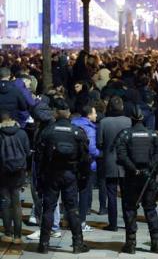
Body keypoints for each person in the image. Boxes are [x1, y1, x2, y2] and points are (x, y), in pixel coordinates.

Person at [36, 98, 90, 254]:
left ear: (56, 112)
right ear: (68, 113)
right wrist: (83, 177)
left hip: (52, 174)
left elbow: (39, 157)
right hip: (70, 175)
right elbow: (85, 159)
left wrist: (40, 177)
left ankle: (44, 244)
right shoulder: (77, 132)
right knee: (72, 209)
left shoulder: (48, 131)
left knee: (48, 209)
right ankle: (77, 244)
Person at [115, 105, 158, 254]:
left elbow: (121, 155)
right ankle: (156, 243)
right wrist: (149, 168)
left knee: (130, 209)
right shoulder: (153, 135)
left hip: (132, 177)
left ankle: (131, 244)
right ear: (143, 119)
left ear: (131, 118)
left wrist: (133, 169)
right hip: (148, 177)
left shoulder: (125, 134)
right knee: (150, 209)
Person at [97, 96, 132, 231]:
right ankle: (128, 222)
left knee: (111, 194)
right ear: (122, 106)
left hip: (110, 162)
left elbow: (100, 142)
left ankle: (113, 223)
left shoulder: (104, 122)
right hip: (125, 163)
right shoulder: (128, 121)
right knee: (126, 195)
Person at [0, 110, 30, 244]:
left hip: (3, 171)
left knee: (5, 201)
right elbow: (27, 152)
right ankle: (18, 236)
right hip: (19, 171)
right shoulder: (22, 132)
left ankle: (7, 233)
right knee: (16, 203)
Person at [71, 105, 100, 232]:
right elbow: (92, 150)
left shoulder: (72, 124)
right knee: (84, 193)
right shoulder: (90, 129)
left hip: (72, 164)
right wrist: (101, 153)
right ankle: (82, 222)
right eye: (94, 113)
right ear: (88, 115)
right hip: (87, 165)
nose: (96, 115)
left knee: (71, 193)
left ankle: (70, 219)